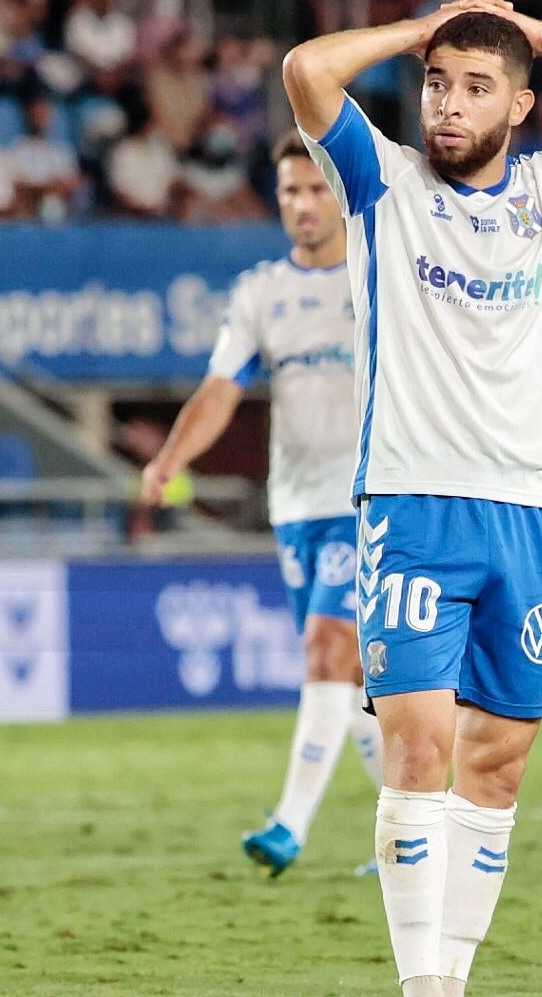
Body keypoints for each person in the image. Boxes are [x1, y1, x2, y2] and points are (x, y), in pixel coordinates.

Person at [282, 0, 542, 997]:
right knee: (419, 747)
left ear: (519, 103)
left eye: (475, 87)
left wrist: (535, 35)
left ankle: (451, 982)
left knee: (498, 767)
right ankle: (422, 988)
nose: (449, 105)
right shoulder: (382, 180)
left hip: (525, 516)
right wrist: (429, 24)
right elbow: (306, 70)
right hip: (412, 508)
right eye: (437, 83)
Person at [139, 132, 383, 876]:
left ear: (340, 196)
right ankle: (413, 822)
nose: (302, 206)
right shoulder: (260, 291)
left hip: (367, 495)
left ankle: (289, 825)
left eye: (316, 190)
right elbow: (222, 389)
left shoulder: (379, 275)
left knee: (327, 651)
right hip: (297, 504)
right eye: (289, 193)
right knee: (350, 677)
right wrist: (171, 456)